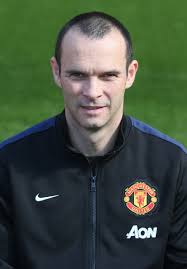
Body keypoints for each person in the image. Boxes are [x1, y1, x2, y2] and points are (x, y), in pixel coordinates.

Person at [0, 11, 186, 269]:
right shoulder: (9, 164)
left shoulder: (173, 164)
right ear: (57, 72)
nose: (92, 92)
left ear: (130, 74)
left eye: (108, 75)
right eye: (78, 75)